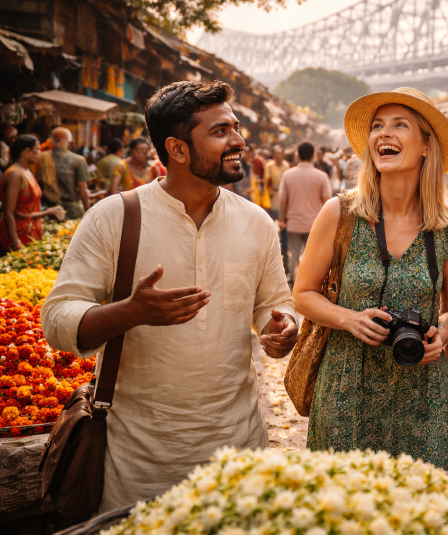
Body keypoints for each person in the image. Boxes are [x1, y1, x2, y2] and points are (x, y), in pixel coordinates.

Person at [42, 80, 300, 513]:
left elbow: (273, 301)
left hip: (238, 450)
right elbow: (57, 320)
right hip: (137, 460)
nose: (238, 140)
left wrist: (281, 327)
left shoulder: (255, 222)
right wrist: (129, 313)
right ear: (177, 150)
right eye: (220, 131)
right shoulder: (114, 217)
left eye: (236, 127)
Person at [294, 88, 448, 472]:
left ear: (426, 145)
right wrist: (349, 319)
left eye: (399, 125)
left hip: (423, 392)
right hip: (345, 390)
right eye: (377, 126)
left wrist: (441, 333)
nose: (383, 134)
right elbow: (303, 294)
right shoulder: (339, 214)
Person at [278, 141, 332, 286]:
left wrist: (282, 220)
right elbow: (327, 203)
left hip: (293, 223)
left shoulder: (287, 175)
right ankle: (310, 284)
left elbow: (282, 200)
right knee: (313, 256)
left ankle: (294, 283)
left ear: (297, 155)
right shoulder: (321, 176)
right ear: (313, 156)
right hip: (315, 224)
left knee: (294, 254)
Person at [0, 135, 64, 252]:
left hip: (31, 234)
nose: (40, 153)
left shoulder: (27, 171)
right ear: (26, 151)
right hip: (19, 237)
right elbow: (9, 213)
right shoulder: (15, 175)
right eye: (37, 150)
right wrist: (15, 240)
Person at [35, 127, 92, 219]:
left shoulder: (41, 158)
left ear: (51, 141)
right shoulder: (79, 160)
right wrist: (89, 213)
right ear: (70, 142)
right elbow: (83, 190)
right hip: (73, 211)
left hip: (49, 211)